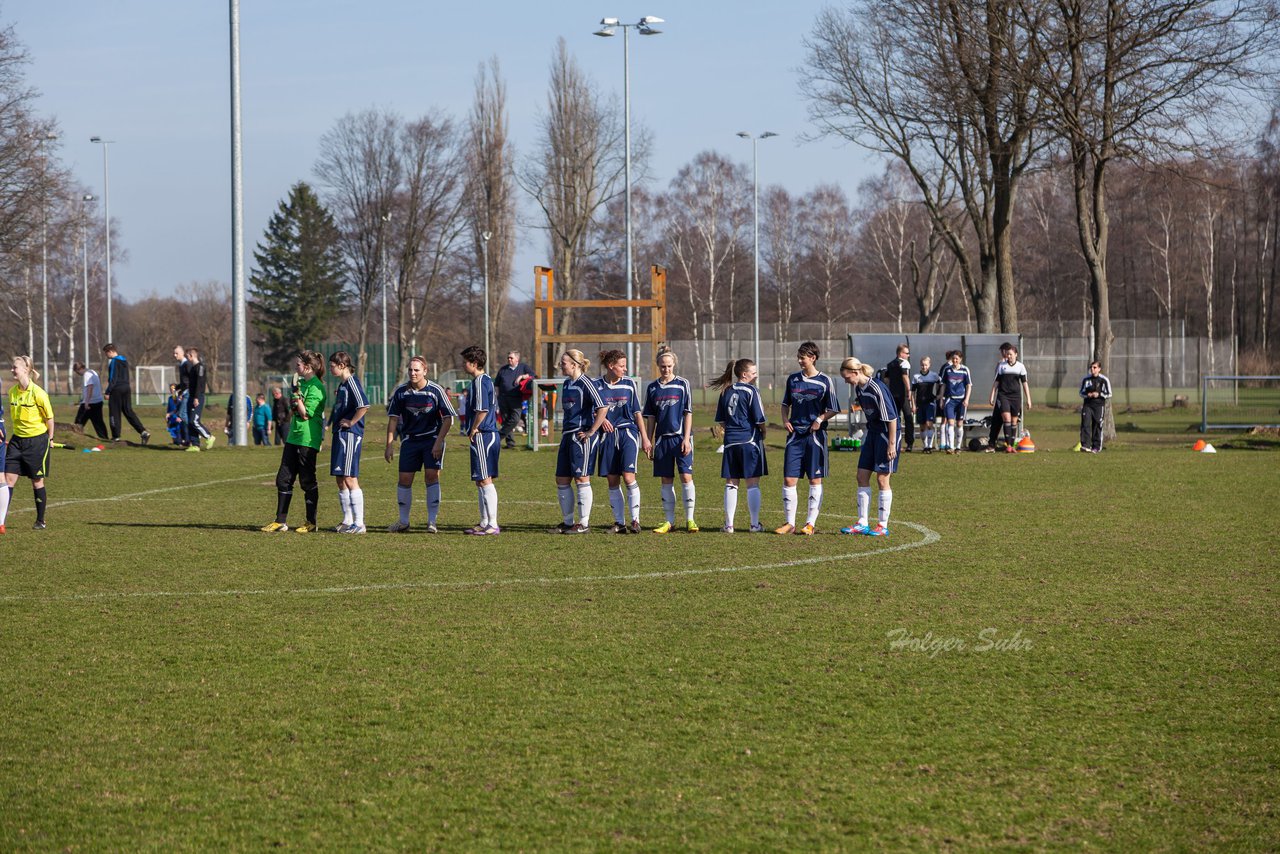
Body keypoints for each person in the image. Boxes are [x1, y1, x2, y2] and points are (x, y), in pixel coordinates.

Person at [384, 355, 456, 533]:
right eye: (410, 369)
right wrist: (389, 444)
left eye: (416, 370)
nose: (413, 373)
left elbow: (448, 419)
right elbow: (393, 419)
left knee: (431, 477)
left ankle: (432, 521)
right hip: (410, 441)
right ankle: (403, 521)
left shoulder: (436, 390)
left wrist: (438, 442)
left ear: (425, 371)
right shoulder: (401, 392)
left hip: (432, 439)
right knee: (404, 480)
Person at [261, 351, 327, 533]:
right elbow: (294, 410)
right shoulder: (302, 384)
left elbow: (306, 414)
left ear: (307, 367)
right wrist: (295, 399)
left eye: (298, 365)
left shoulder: (316, 387)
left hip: (307, 439)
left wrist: (297, 396)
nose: (295, 368)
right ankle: (280, 521)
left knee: (307, 481)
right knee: (283, 479)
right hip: (293, 437)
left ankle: (311, 522)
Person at [778, 341, 839, 535]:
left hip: (815, 437)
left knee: (815, 479)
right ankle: (790, 523)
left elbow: (833, 408)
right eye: (798, 357)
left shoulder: (825, 381)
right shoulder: (793, 379)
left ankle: (810, 524)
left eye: (802, 357)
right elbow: (785, 403)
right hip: (795, 435)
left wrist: (820, 419)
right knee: (789, 479)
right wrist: (785, 419)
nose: (799, 360)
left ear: (812, 358)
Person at [839, 357, 900, 537]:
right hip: (872, 433)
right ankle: (862, 523)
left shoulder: (877, 388)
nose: (846, 381)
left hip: (886, 434)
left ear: (855, 373)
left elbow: (893, 418)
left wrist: (891, 444)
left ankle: (882, 525)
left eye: (847, 378)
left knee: (882, 479)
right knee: (861, 475)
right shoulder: (859, 388)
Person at [551, 349, 609, 534]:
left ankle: (583, 524)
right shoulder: (567, 384)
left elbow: (603, 407)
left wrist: (592, 430)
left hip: (581, 436)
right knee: (562, 478)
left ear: (574, 365)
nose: (561, 365)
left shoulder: (587, 383)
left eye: (564, 362)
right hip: (567, 435)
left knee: (582, 478)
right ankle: (568, 522)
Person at [594, 349, 652, 534]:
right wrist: (602, 419)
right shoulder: (596, 385)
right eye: (622, 366)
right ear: (611, 366)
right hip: (607, 437)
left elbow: (637, 413)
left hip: (628, 433)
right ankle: (619, 523)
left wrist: (645, 438)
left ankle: (635, 521)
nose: (625, 369)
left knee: (628, 477)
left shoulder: (629, 385)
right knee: (613, 480)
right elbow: (591, 409)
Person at [643, 347, 698, 533]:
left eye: (669, 366)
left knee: (685, 476)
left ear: (674, 365)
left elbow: (687, 413)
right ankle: (669, 521)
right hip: (662, 441)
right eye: (662, 366)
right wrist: (648, 441)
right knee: (666, 479)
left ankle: (690, 520)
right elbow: (650, 417)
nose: (666, 369)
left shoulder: (683, 384)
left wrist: (686, 438)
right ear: (658, 366)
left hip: (681, 438)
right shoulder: (652, 388)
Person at [711, 358, 768, 533]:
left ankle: (729, 525)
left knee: (731, 483)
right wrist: (763, 431)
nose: (756, 375)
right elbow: (759, 418)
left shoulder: (726, 391)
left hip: (730, 443)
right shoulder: (752, 391)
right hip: (749, 441)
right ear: (745, 374)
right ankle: (754, 524)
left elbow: (721, 420)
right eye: (754, 372)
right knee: (752, 483)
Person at [2, 356, 54, 531]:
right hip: (17, 441)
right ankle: (1, 520)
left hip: (36, 442)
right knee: (7, 479)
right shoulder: (12, 392)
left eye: (14, 367)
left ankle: (40, 520)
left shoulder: (38, 393)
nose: (12, 370)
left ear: (25, 369)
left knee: (36, 481)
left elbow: (49, 418)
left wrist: (50, 439)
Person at [328, 351, 371, 533]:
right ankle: (347, 520)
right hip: (340, 434)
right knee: (340, 478)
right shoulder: (343, 384)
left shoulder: (352, 382)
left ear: (342, 365)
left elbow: (364, 405)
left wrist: (352, 422)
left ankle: (359, 524)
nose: (330, 369)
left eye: (332, 366)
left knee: (350, 477)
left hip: (350, 435)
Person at [461, 345, 501, 535]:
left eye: (465, 362)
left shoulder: (479, 382)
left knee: (485, 480)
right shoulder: (486, 380)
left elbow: (482, 410)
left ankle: (492, 524)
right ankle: (485, 521)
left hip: (484, 434)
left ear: (474, 363)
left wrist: (474, 427)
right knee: (480, 480)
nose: (463, 365)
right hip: (486, 434)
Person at [101, 343, 150, 445]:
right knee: (128, 411)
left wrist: (108, 392)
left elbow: (113, 378)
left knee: (114, 413)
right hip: (126, 388)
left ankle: (116, 436)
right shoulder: (124, 360)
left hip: (116, 389)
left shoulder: (114, 361)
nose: (107, 356)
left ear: (110, 351)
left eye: (106, 354)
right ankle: (143, 432)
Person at [989, 342, 1032, 453]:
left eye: (1010, 354)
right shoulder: (1002, 366)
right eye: (1007, 354)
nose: (1008, 356)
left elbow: (1024, 383)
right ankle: (1008, 446)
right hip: (1003, 396)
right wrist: (992, 395)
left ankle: (1012, 446)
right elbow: (996, 382)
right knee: (1006, 419)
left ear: (1016, 354)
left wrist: (1029, 399)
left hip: (1015, 397)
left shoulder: (1020, 367)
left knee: (1014, 421)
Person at [494, 350, 534, 450]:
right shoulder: (503, 369)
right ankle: (510, 443)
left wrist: (522, 376)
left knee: (515, 419)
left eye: (511, 358)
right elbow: (497, 384)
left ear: (517, 359)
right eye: (508, 357)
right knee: (505, 420)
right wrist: (497, 398)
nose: (509, 359)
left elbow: (533, 375)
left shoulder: (523, 367)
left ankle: (498, 436)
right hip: (503, 398)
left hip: (516, 398)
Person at [938, 350, 972, 454]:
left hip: (961, 401)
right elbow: (943, 384)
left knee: (959, 424)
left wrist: (966, 399)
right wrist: (941, 398)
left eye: (957, 358)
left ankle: (958, 447)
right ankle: (951, 447)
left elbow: (969, 385)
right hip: (950, 400)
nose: (955, 360)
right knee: (950, 423)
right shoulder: (947, 370)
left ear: (960, 359)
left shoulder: (965, 370)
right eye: (953, 358)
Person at [885, 343, 915, 452]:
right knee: (908, 418)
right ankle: (909, 443)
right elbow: (905, 376)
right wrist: (909, 390)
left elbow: (887, 380)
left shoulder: (890, 364)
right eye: (907, 353)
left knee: (894, 419)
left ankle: (895, 442)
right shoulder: (904, 363)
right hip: (902, 395)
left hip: (893, 395)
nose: (908, 355)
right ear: (901, 353)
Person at [184, 347, 215, 450]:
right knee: (190, 422)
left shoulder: (200, 367)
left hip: (197, 397)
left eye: (187, 356)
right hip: (191, 397)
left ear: (191, 356)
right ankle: (195, 445)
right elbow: (190, 383)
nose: (186, 358)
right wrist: (179, 388)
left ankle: (209, 437)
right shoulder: (192, 368)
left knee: (194, 421)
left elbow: (199, 384)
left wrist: (196, 397)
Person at [911, 356, 942, 453]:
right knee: (922, 426)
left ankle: (929, 446)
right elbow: (912, 392)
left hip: (930, 403)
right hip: (920, 404)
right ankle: (925, 446)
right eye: (922, 365)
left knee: (929, 424)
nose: (924, 367)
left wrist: (939, 395)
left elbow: (941, 384)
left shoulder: (934, 375)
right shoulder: (916, 377)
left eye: (926, 365)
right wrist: (913, 404)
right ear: (920, 365)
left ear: (929, 365)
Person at [1079, 361, 1112, 453]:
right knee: (1085, 424)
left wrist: (1099, 394)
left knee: (1097, 424)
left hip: (1098, 406)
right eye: (1091, 367)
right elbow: (1081, 392)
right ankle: (1085, 445)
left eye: (1094, 367)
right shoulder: (1086, 379)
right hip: (1088, 405)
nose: (1092, 369)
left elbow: (1109, 393)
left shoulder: (1104, 380)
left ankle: (1096, 447)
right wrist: (1087, 394)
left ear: (1099, 369)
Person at [72, 361, 109, 440]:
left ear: (78, 369)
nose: (78, 374)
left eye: (77, 372)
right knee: (98, 422)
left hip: (90, 403)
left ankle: (75, 438)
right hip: (98, 401)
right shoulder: (92, 372)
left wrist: (86, 402)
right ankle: (105, 438)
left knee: (79, 421)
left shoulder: (86, 375)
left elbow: (90, 387)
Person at [173, 344, 191, 448]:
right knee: (184, 415)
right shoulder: (181, 365)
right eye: (174, 353)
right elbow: (184, 381)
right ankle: (189, 439)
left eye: (177, 353)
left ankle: (194, 432)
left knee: (182, 414)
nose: (175, 355)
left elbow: (190, 379)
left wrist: (186, 390)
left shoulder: (186, 364)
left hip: (188, 392)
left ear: (182, 353)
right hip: (184, 392)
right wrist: (178, 388)